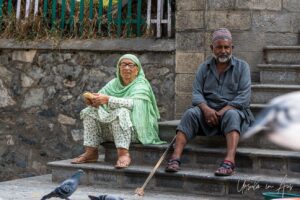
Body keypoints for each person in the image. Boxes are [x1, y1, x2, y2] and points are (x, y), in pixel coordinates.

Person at [165, 28, 254, 176]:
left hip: (231, 111)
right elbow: (196, 94)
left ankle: (229, 161)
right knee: (190, 113)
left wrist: (220, 112)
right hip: (207, 112)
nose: (223, 51)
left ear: (232, 48)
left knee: (232, 115)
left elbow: (243, 97)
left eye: (226, 47)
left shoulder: (242, 67)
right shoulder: (203, 67)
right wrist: (206, 110)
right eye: (219, 47)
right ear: (212, 48)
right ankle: (175, 158)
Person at [71, 54, 165, 168]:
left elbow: (134, 103)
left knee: (122, 111)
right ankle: (91, 152)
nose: (126, 68)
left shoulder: (141, 85)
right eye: (123, 64)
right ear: (119, 68)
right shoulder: (114, 83)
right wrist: (93, 101)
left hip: (136, 131)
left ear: (137, 69)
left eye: (130, 65)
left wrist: (108, 99)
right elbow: (102, 96)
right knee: (89, 111)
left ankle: (123, 154)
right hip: (112, 131)